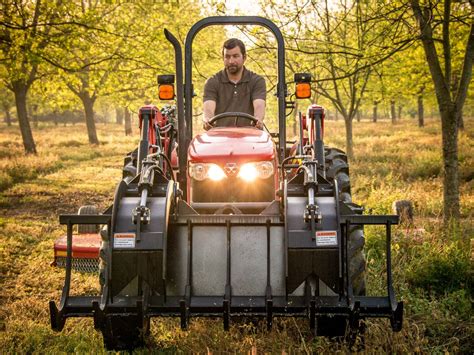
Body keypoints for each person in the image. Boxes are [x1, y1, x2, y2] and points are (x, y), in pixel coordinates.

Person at [203, 38, 266, 130]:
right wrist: (207, 120)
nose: (231, 61)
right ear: (223, 58)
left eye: (235, 56)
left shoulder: (256, 81)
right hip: (220, 137)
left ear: (244, 57)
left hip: (249, 136)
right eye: (227, 57)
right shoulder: (213, 82)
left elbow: (259, 106)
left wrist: (258, 119)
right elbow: (208, 108)